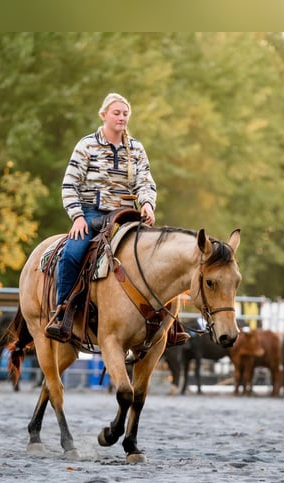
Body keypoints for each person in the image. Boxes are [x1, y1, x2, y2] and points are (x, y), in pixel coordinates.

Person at [45, 92, 188, 346]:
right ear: (104, 115)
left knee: (157, 254)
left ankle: (170, 321)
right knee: (73, 252)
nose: (121, 117)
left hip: (126, 215)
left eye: (125, 113)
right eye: (116, 112)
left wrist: (146, 203)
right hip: (92, 213)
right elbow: (70, 184)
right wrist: (77, 216)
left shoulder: (136, 148)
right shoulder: (87, 145)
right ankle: (62, 310)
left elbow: (145, 180)